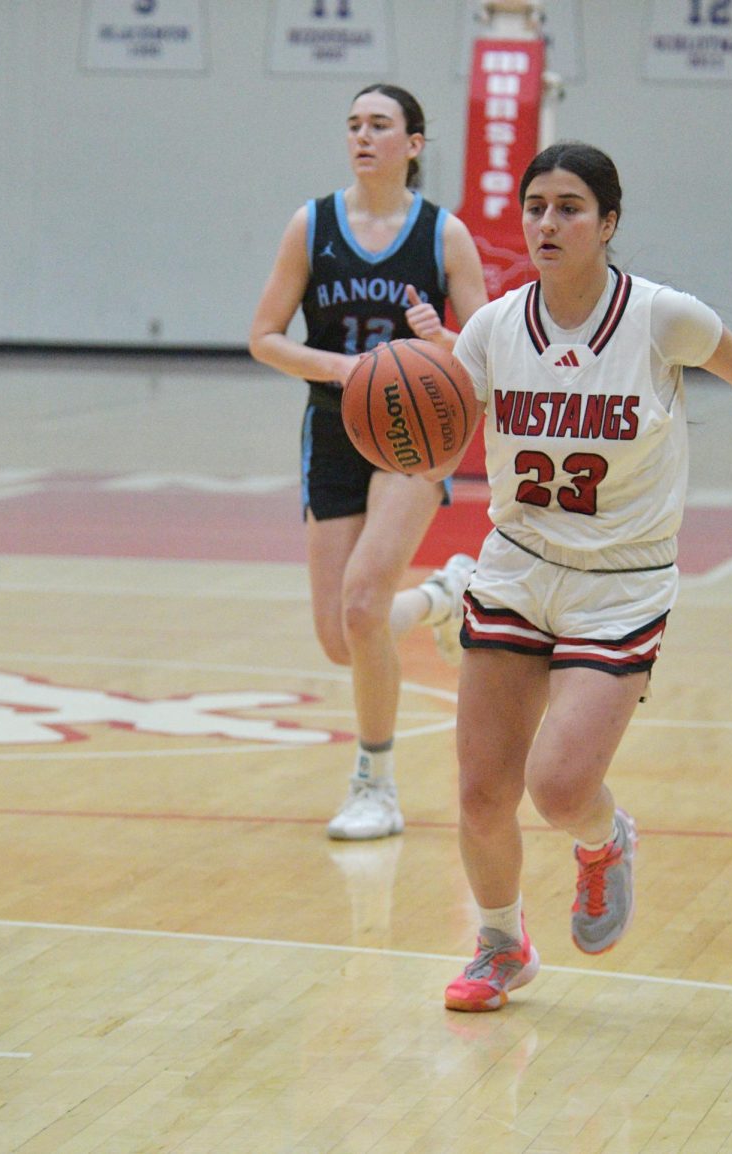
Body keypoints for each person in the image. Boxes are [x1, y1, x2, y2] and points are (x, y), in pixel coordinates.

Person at [441, 142, 732, 1011]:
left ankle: (603, 841)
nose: (547, 223)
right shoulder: (493, 328)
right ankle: (500, 944)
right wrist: (418, 381)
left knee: (560, 786)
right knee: (481, 791)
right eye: (535, 206)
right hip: (518, 565)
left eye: (570, 207)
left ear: (609, 224)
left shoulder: (660, 319)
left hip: (622, 580)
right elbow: (438, 421)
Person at [249, 84, 489, 841]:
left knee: (361, 606)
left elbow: (485, 349)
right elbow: (264, 336)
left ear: (414, 144)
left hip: (416, 437)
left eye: (380, 125)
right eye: (353, 124)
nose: (363, 136)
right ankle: (444, 599)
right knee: (338, 635)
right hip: (333, 426)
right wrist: (344, 369)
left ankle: (375, 785)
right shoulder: (311, 225)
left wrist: (439, 340)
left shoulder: (444, 235)